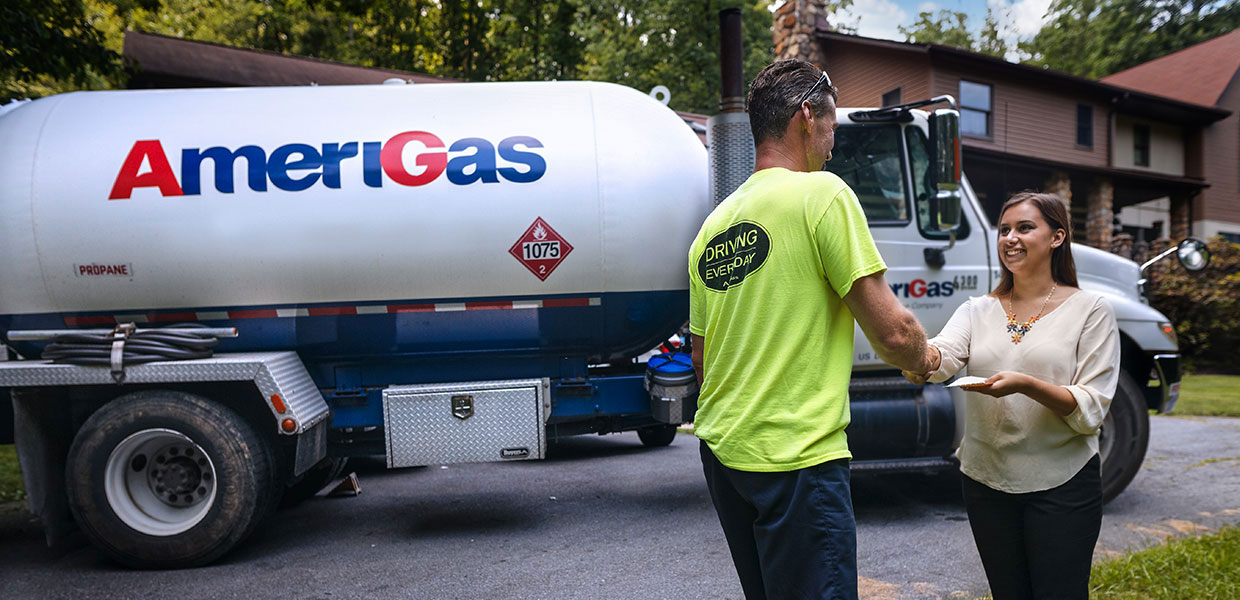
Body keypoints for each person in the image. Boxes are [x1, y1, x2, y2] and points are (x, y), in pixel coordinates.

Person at [687, 59, 939, 600]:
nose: (832, 141)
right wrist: (926, 361)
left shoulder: (714, 227)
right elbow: (893, 333)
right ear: (806, 117)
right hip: (796, 456)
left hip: (725, 453)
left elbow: (702, 358)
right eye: (830, 125)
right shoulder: (822, 194)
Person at [902, 191, 1120, 600]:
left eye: (1024, 228)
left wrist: (1026, 384)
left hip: (1063, 482)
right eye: (1003, 230)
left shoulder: (1092, 310)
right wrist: (915, 352)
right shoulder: (977, 309)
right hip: (986, 480)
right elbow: (943, 356)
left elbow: (1092, 407)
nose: (1010, 238)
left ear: (1057, 238)